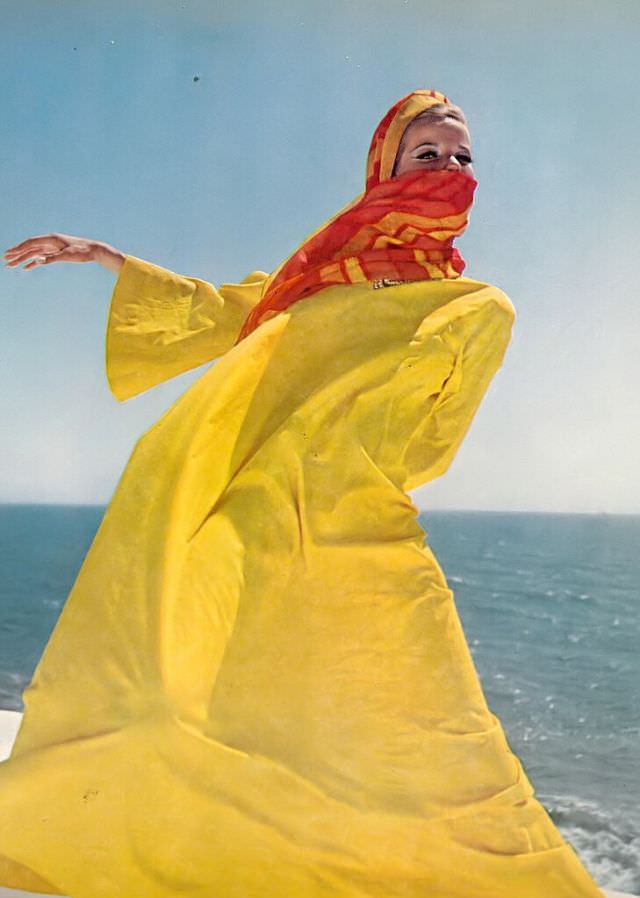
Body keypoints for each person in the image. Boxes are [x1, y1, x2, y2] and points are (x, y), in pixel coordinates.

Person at [0, 90, 606, 898]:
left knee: (434, 719)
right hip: (253, 509)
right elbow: (236, 314)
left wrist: (353, 454)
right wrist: (109, 258)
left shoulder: (478, 308)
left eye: (463, 158)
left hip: (363, 520)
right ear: (383, 170)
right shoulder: (318, 276)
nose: (450, 170)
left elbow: (430, 449)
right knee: (183, 687)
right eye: (427, 153)